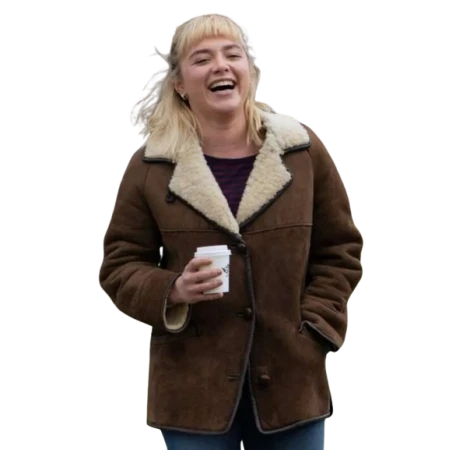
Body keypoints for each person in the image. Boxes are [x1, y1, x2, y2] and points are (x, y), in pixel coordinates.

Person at [98, 12, 364, 450]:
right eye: (202, 59)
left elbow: (340, 249)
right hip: (191, 396)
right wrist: (173, 290)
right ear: (180, 84)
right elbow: (118, 267)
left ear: (250, 72)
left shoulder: (302, 152)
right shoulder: (151, 167)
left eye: (232, 55)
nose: (220, 66)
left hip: (292, 389)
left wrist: (315, 329)